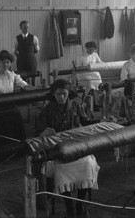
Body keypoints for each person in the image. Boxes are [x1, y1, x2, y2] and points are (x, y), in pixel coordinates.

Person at [35, 79, 97, 218]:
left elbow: (86, 122)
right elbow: (37, 132)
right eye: (58, 94)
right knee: (62, 169)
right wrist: (42, 133)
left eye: (64, 94)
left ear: (68, 93)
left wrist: (101, 122)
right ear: (53, 95)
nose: (62, 97)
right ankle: (69, 207)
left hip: (76, 146)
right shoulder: (47, 110)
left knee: (88, 165)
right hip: (57, 149)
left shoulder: (75, 106)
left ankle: (80, 203)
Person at [0, 50, 35, 147]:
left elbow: (25, 85)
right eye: (3, 62)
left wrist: (41, 89)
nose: (5, 65)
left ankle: (17, 148)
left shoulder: (12, 75)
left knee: (17, 121)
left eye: (8, 62)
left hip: (10, 105)